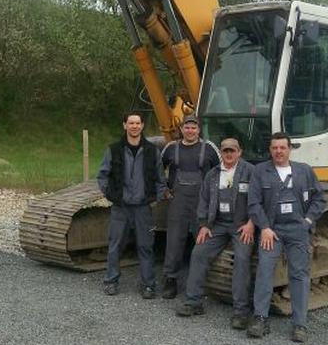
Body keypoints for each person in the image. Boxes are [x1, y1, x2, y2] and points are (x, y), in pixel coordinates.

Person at [247, 132, 326, 343]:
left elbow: (319, 198)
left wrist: (308, 221)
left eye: (282, 147)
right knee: (264, 270)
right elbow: (253, 203)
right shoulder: (260, 171)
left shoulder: (304, 171)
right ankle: (260, 318)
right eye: (274, 148)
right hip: (272, 231)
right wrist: (263, 227)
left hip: (297, 230)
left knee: (299, 275)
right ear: (270, 150)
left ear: (289, 149)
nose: (278, 151)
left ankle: (299, 324)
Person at [176, 137, 254, 326]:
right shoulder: (212, 174)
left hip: (241, 225)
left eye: (232, 151)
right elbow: (203, 200)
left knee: (242, 259)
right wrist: (204, 224)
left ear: (239, 152)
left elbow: (259, 199)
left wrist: (252, 223)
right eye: (225, 151)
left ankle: (240, 311)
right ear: (221, 153)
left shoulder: (250, 172)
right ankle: (194, 301)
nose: (229, 154)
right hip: (217, 224)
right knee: (198, 252)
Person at [97, 110, 167, 299]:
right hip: (121, 207)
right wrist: (110, 195)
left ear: (142, 126)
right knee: (115, 245)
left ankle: (148, 285)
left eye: (138, 123)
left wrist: (155, 199)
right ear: (124, 125)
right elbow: (102, 175)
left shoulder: (152, 151)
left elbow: (161, 179)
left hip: (143, 208)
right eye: (131, 123)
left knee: (145, 247)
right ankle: (111, 281)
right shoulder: (114, 150)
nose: (134, 126)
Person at [160, 115, 220, 298]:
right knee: (174, 242)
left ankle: (201, 283)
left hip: (201, 204)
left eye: (194, 128)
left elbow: (220, 172)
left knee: (201, 243)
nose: (190, 131)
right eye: (187, 127)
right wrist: (163, 189)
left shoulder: (209, 149)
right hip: (177, 202)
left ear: (199, 130)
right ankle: (170, 280)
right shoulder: (171, 148)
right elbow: (156, 170)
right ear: (182, 129)